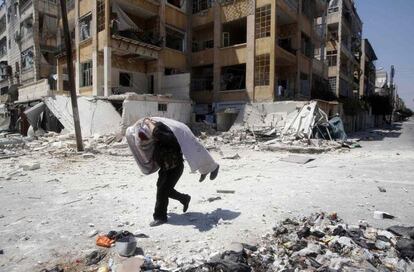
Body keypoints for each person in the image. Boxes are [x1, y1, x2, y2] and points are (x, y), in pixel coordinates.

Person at [126, 118, 219, 227]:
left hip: (175, 168)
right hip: (165, 167)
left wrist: (150, 124)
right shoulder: (157, 137)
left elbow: (162, 135)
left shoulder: (168, 134)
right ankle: (184, 198)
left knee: (162, 191)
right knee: (163, 189)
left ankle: (160, 217)